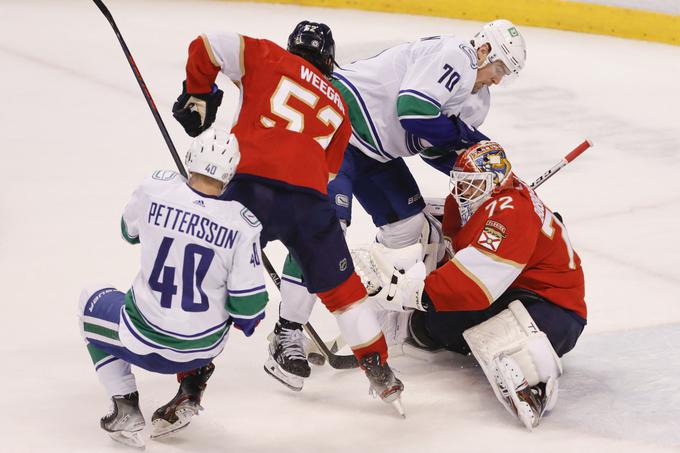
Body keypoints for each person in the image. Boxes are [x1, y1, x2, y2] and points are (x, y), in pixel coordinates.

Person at [171, 21, 404, 414]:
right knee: (344, 293)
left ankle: (192, 380)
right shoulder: (339, 105)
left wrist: (199, 94)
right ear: (329, 62)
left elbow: (207, 44)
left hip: (249, 190)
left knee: (212, 276)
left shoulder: (265, 54)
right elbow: (329, 173)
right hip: (310, 204)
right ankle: (381, 372)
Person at [276, 19, 528, 383]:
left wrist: (480, 170)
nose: (498, 79)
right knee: (326, 228)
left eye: (507, 74)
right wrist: (468, 138)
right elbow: (413, 111)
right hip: (339, 126)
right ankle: (287, 331)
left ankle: (378, 310)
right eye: (499, 68)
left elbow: (431, 146)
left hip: (377, 154)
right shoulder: (456, 55)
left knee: (411, 228)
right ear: (484, 50)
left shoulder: (478, 102)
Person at [360, 141, 587, 430]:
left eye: (473, 185)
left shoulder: (512, 211)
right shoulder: (483, 198)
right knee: (436, 324)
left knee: (510, 342)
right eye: (462, 183)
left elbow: (476, 282)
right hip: (517, 290)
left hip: (556, 310)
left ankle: (535, 380)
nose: (463, 191)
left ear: (494, 181)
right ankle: (413, 326)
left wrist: (411, 292)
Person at [77, 129, 269, 448]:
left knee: (91, 298)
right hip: (204, 346)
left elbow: (129, 231)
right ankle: (193, 384)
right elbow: (248, 310)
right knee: (213, 306)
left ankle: (124, 406)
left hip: (143, 339)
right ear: (230, 172)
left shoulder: (157, 187)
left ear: (190, 158)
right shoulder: (242, 222)